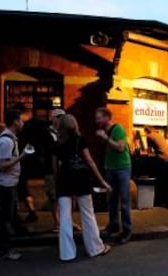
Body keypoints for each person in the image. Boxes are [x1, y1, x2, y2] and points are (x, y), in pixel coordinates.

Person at [54, 114, 111, 262]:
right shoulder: (80, 139)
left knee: (65, 218)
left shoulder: (58, 142)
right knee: (87, 214)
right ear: (75, 124)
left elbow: (56, 166)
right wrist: (102, 181)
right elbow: (90, 162)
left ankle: (67, 254)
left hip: (63, 179)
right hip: (81, 179)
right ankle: (95, 248)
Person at [95, 107, 133, 244]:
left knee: (124, 201)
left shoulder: (118, 129)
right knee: (111, 200)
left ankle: (127, 231)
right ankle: (113, 225)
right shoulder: (103, 131)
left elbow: (120, 147)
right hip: (110, 169)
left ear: (106, 117)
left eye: (99, 118)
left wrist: (105, 138)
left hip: (122, 168)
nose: (96, 120)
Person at [0, 109, 27, 260]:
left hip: (10, 184)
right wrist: (22, 156)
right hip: (6, 185)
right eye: (21, 120)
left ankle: (6, 249)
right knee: (5, 219)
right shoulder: (6, 141)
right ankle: (3, 251)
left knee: (8, 217)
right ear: (15, 121)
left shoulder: (10, 138)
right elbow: (2, 165)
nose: (23, 122)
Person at [44, 108, 81, 233]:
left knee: (70, 197)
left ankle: (68, 221)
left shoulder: (66, 134)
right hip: (51, 169)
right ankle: (57, 223)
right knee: (55, 197)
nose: (60, 119)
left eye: (62, 117)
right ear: (52, 118)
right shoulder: (47, 134)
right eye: (57, 116)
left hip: (66, 170)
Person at [143, 125, 168, 209]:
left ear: (146, 131)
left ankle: (161, 202)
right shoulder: (159, 134)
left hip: (164, 159)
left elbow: (149, 151)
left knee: (163, 181)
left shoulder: (149, 136)